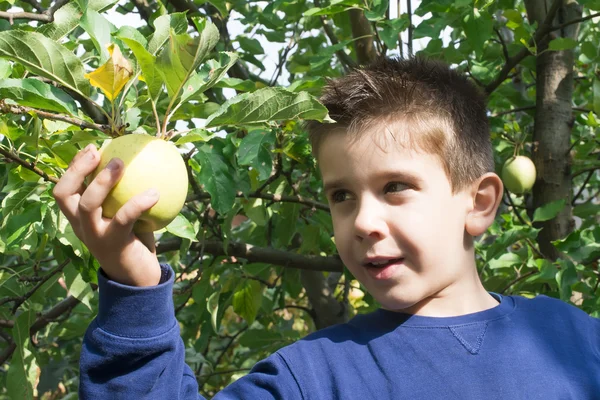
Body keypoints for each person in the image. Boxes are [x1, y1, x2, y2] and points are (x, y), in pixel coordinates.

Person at [53, 56, 600, 399]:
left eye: (395, 188)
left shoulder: (575, 340)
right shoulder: (309, 379)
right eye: (341, 195)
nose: (362, 221)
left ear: (478, 204)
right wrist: (135, 289)